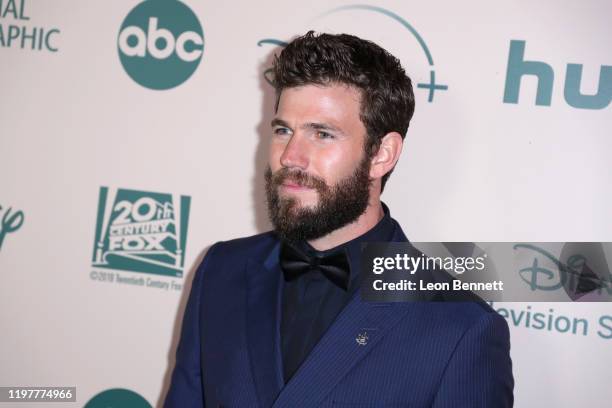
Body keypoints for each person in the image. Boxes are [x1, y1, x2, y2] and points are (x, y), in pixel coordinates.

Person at [165, 31, 514, 408]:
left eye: (322, 133)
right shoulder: (221, 271)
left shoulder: (460, 328)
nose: (290, 157)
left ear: (382, 155)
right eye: (284, 130)